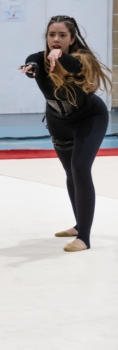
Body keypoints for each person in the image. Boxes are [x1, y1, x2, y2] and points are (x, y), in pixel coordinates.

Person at [20, 15, 111, 252]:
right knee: (71, 172)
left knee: (80, 168)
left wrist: (59, 55)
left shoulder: (82, 60)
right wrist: (31, 68)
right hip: (58, 121)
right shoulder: (39, 58)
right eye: (52, 34)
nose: (56, 39)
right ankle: (79, 224)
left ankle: (84, 238)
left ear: (71, 39)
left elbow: (74, 67)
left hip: (89, 118)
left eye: (62, 35)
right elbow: (32, 63)